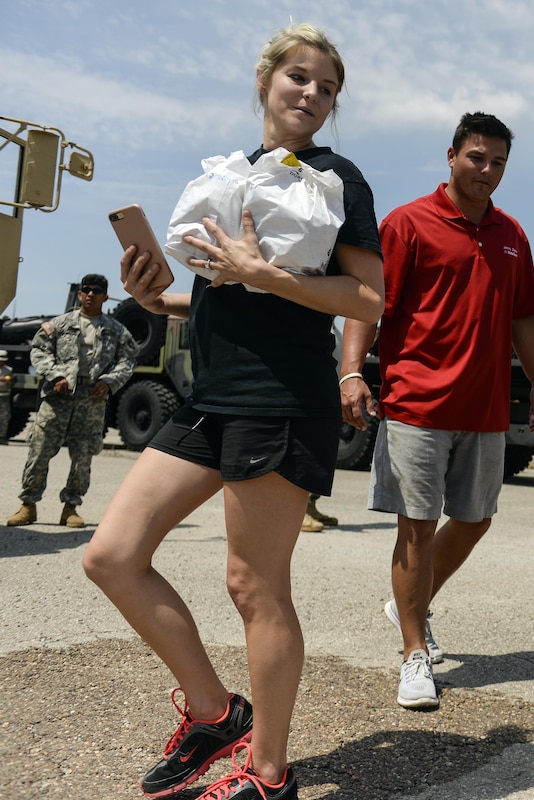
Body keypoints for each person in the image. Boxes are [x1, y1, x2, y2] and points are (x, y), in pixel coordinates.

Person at [82, 23, 384, 800]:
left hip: (281, 397)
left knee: (254, 586)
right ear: (265, 81)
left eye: (327, 86)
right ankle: (216, 714)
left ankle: (270, 775)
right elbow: (227, 292)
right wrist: (161, 296)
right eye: (300, 77)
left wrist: (266, 273)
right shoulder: (236, 171)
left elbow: (367, 297)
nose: (312, 93)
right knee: (110, 555)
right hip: (209, 393)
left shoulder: (336, 178)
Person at [340, 112, 534, 710]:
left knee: (477, 519)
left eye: (499, 163)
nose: (487, 171)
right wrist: (352, 372)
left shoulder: (513, 235)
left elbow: (522, 317)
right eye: (477, 158)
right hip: (417, 403)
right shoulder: (407, 224)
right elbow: (367, 304)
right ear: (452, 155)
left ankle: (410, 601)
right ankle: (414, 654)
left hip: (484, 406)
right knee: (416, 524)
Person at [7, 276, 137, 528]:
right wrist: (55, 375)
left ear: (105, 297)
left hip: (92, 399)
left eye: (96, 291)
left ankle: (71, 507)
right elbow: (39, 350)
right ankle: (28, 505)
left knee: (83, 454)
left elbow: (129, 359)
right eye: (85, 290)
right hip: (59, 396)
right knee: (40, 449)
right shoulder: (60, 324)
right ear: (79, 295)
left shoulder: (116, 330)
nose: (90, 294)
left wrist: (110, 381)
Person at [0, 349, 12, 444]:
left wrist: (9, 381)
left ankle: (2, 437)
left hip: (4, 395)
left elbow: (12, 384)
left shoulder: (9, 370)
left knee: (4, 417)